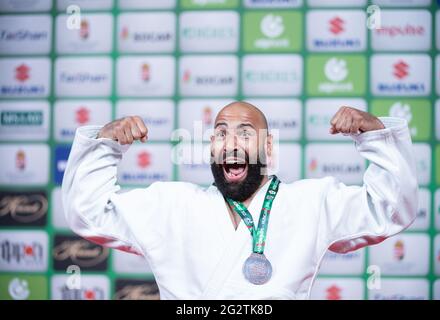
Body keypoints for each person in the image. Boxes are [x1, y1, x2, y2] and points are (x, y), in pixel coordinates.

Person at [62, 101, 418, 299]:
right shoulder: (172, 205)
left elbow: (390, 208)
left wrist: (376, 137)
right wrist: (105, 146)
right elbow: (88, 211)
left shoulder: (311, 203)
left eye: (245, 133)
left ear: (267, 148)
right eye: (220, 133)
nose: (230, 142)